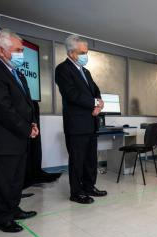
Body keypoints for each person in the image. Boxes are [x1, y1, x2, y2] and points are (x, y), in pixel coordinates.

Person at [0, 29, 39, 233]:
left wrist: (31, 123)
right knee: (2, 182)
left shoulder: (16, 72)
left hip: (17, 137)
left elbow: (25, 104)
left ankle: (13, 209)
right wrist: (26, 129)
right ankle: (2, 218)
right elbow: (2, 109)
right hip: (1, 140)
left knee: (15, 179)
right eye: (18, 50)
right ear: (1, 51)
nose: (22, 53)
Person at [55, 35, 107, 204]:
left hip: (91, 123)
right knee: (77, 160)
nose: (86, 55)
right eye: (82, 52)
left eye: (87, 52)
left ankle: (89, 187)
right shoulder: (63, 69)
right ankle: (76, 193)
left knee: (91, 159)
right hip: (76, 125)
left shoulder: (85, 71)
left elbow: (95, 90)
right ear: (71, 53)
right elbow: (71, 94)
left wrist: (98, 103)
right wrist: (94, 103)